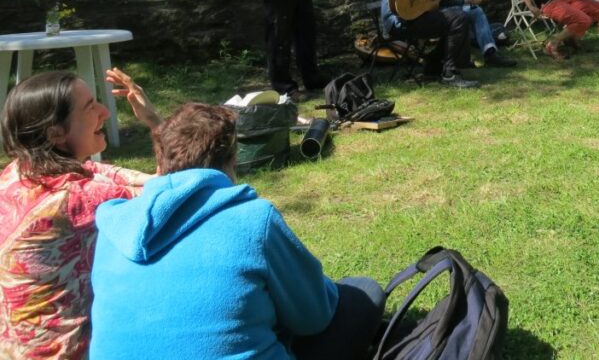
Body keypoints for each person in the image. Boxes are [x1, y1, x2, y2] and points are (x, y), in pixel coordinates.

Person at [90, 103, 386, 360]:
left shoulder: (112, 226)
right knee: (363, 291)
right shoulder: (253, 220)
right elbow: (314, 317)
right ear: (233, 160)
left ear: (159, 162)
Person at [0, 69, 160, 360]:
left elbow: (150, 182)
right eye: (90, 107)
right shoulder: (78, 199)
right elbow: (179, 189)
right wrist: (154, 121)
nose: (105, 112)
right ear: (56, 133)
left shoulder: (17, 175)